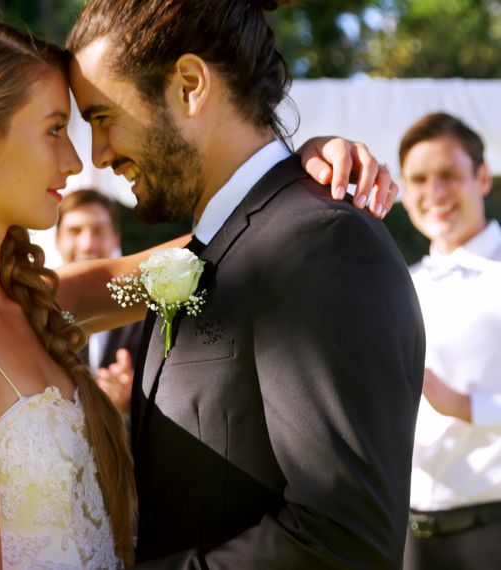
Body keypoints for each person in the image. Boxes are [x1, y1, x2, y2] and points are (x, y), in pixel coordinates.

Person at [0, 20, 401, 570]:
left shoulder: (33, 301)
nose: (78, 161)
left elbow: (230, 244)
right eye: (55, 130)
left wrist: (297, 170)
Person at [66, 0, 426, 566]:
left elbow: (344, 539)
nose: (97, 154)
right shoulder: (205, 253)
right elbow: (71, 300)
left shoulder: (324, 245)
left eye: (102, 118)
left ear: (189, 84)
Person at [395, 113, 501, 569]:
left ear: (482, 177)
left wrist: (462, 404)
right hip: (408, 537)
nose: (433, 193)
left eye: (448, 175)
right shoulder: (400, 285)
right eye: (419, 179)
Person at [55, 189, 143, 414]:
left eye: (98, 231)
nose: (87, 245)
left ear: (115, 239)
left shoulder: (147, 316)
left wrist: (131, 403)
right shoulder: (36, 317)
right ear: (57, 240)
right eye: (75, 231)